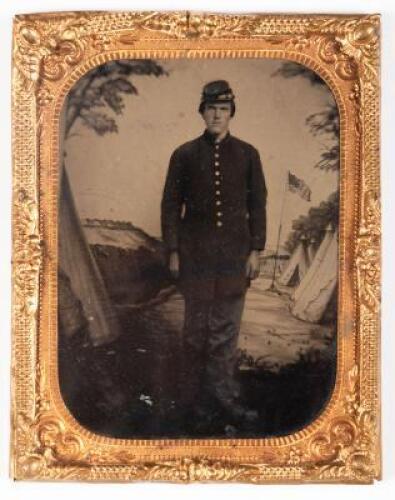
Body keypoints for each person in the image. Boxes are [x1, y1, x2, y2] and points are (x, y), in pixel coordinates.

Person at [161, 80, 267, 429]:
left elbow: (257, 204)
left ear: (231, 113)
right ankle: (191, 403)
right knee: (194, 333)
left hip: (235, 261)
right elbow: (171, 206)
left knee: (225, 333)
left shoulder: (249, 154)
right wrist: (173, 251)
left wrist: (256, 250)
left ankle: (224, 400)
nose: (217, 115)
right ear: (202, 112)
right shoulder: (184, 154)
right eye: (211, 109)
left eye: (223, 109)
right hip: (195, 260)